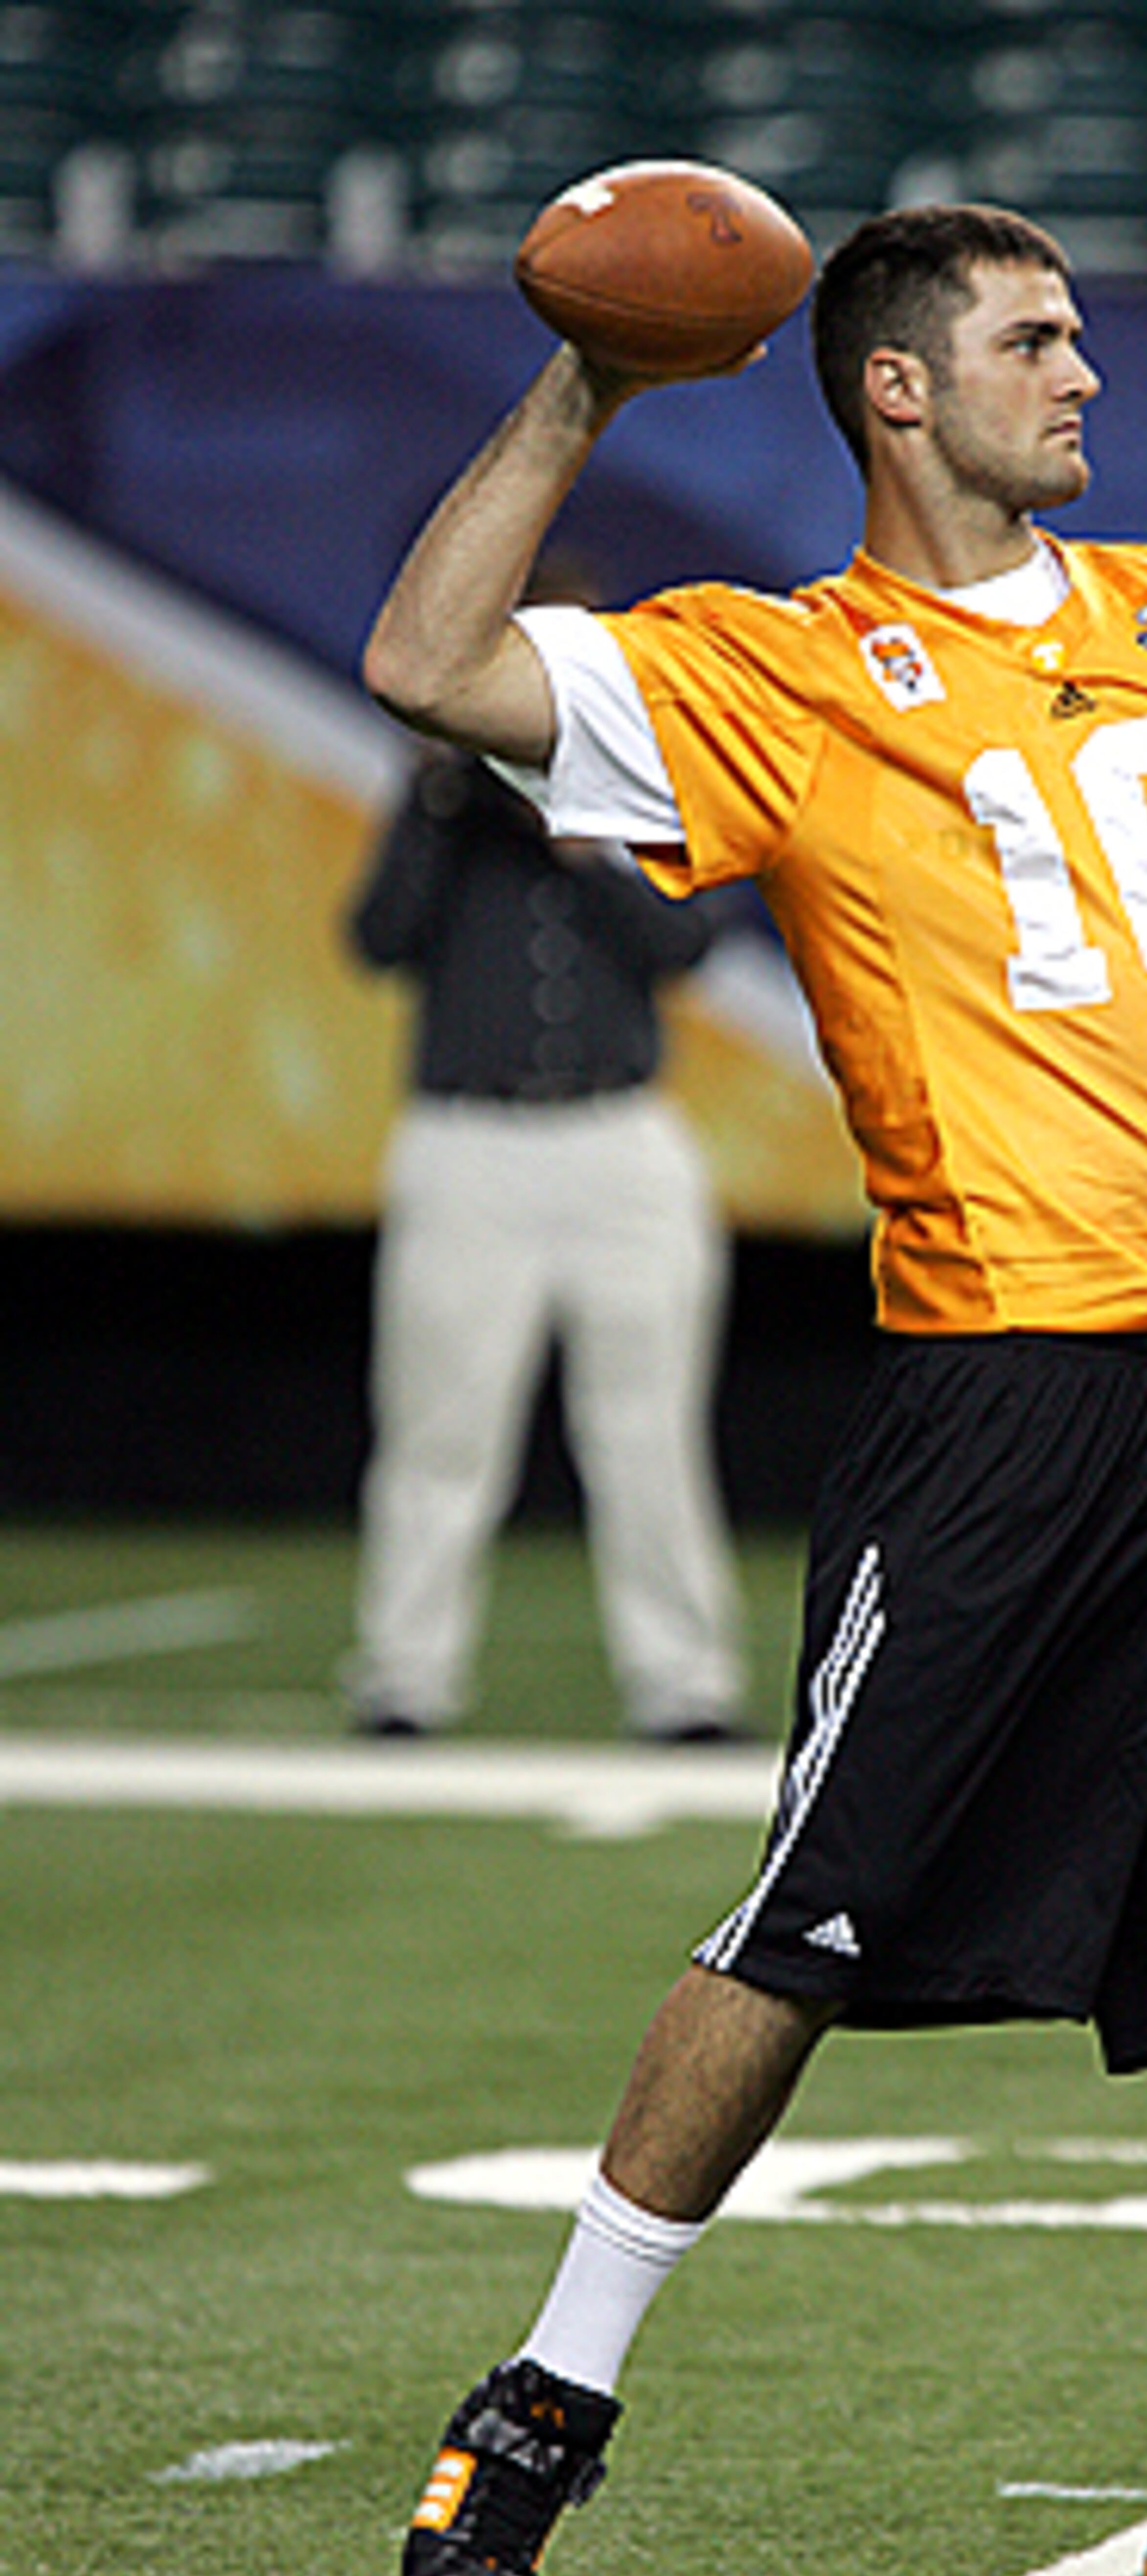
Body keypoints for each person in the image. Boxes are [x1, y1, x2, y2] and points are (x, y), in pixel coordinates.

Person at [364, 202, 1147, 2576]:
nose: (1084, 376)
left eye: (1081, 335)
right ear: (894, 390)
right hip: (1006, 1385)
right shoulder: (783, 672)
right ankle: (540, 2410)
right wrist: (589, 386)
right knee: (804, 1925)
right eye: (1033, 339)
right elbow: (426, 660)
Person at [342, 589, 746, 1746]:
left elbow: (688, 948)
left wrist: (592, 845)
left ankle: (684, 1686)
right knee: (438, 1431)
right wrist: (433, 789)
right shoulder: (445, 804)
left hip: (622, 1145)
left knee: (648, 1431)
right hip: (468, 1146)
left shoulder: (625, 797)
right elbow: (378, 938)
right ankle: (403, 1680)